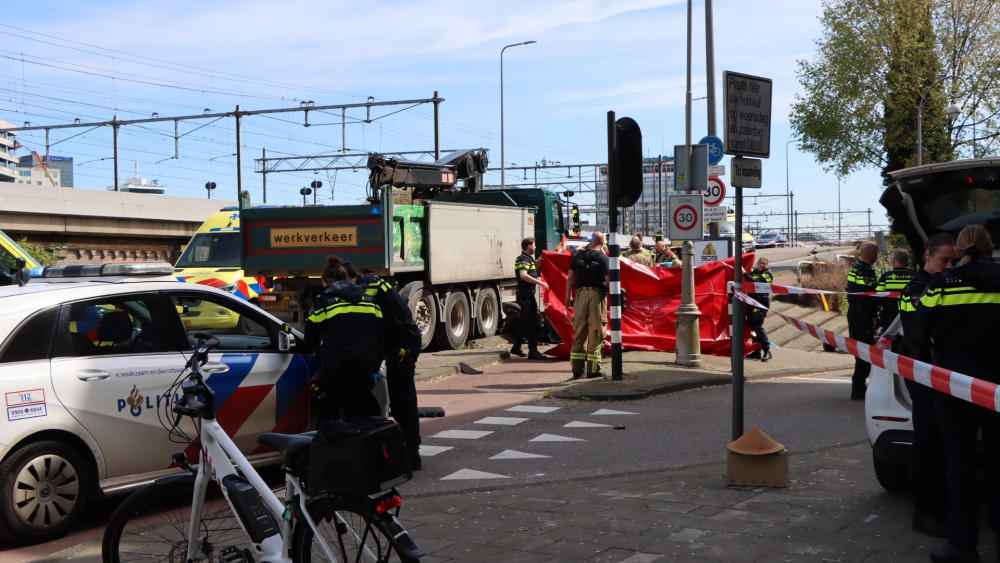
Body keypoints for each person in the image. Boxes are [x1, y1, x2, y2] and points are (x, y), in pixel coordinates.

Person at [912, 224, 1000, 562]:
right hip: (998, 389)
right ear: (991, 246)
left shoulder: (941, 283)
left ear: (960, 249)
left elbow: (918, 336)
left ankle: (962, 546)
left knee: (960, 465)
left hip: (956, 387)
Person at [896, 233, 957, 540]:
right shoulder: (920, 288)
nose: (949, 266)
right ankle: (924, 511)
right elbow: (921, 333)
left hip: (932, 372)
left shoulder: (933, 284)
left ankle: (935, 506)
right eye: (944, 260)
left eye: (953, 261)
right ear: (928, 254)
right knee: (927, 440)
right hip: (923, 372)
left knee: (936, 441)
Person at [343, 261, 424, 470]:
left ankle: (412, 452)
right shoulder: (366, 285)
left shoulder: (370, 285)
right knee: (397, 400)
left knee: (402, 399)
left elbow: (374, 326)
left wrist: (374, 362)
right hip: (393, 342)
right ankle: (406, 449)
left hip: (403, 343)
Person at [304, 255, 383, 423]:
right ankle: (355, 447)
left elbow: (310, 334)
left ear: (329, 280)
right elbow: (381, 332)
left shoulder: (324, 301)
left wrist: (318, 350)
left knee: (330, 413)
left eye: (323, 283)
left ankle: (333, 447)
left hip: (336, 366)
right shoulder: (370, 300)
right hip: (364, 366)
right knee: (356, 413)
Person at [565, 231, 609, 379]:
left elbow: (570, 278)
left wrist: (567, 298)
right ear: (602, 243)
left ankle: (577, 370)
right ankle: (593, 370)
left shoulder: (578, 256)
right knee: (596, 332)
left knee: (579, 332)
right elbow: (609, 281)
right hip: (596, 296)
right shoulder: (603, 258)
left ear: (590, 242)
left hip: (579, 296)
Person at [846, 241, 879, 400]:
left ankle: (858, 386)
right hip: (863, 315)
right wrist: (874, 316)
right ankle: (858, 388)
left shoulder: (855, 268)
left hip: (854, 314)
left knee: (859, 352)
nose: (877, 256)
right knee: (864, 353)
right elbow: (868, 297)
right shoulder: (867, 273)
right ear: (872, 254)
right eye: (876, 253)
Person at [512, 237, 549, 360]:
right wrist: (541, 283)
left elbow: (531, 269)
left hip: (527, 295)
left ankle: (516, 347)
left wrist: (540, 261)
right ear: (528, 246)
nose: (535, 247)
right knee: (534, 323)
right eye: (534, 245)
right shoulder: (523, 259)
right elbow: (523, 275)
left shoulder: (528, 259)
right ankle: (532, 351)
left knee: (525, 322)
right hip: (526, 296)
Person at [875, 247, 914, 332]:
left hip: (890, 320)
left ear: (893, 260)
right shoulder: (914, 276)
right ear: (907, 261)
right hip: (910, 320)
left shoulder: (886, 277)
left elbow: (877, 297)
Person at [743, 256, 773, 362]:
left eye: (764, 263)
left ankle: (767, 351)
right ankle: (756, 352)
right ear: (757, 263)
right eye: (760, 263)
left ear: (767, 265)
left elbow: (755, 282)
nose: (762, 265)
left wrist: (744, 273)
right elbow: (747, 268)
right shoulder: (754, 271)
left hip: (760, 305)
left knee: (758, 327)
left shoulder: (767, 275)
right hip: (751, 304)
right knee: (752, 328)